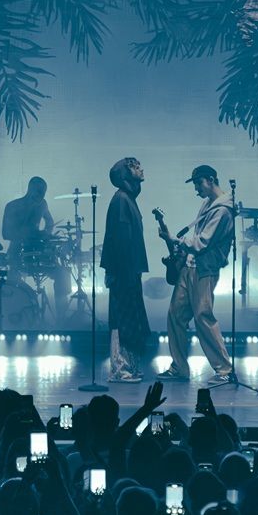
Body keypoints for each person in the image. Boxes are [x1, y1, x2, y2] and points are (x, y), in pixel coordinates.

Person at [156, 164, 233, 385]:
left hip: (204, 270)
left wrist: (174, 240)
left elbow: (201, 243)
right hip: (190, 267)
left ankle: (225, 370)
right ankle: (179, 367)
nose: (196, 189)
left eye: (199, 183)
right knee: (176, 315)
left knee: (203, 317)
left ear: (211, 179)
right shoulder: (208, 204)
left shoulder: (223, 210)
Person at [100, 158, 151, 383]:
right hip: (123, 270)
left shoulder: (127, 199)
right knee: (122, 319)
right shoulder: (122, 199)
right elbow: (120, 239)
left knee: (130, 318)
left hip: (129, 269)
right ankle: (120, 369)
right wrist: (120, 271)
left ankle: (129, 366)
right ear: (124, 173)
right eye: (134, 166)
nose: (140, 168)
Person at [1, 177, 70, 318]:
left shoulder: (42, 204)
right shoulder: (13, 206)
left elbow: (50, 222)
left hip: (40, 254)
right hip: (17, 254)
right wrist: (25, 235)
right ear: (30, 189)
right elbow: (5, 233)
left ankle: (62, 318)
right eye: (39, 192)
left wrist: (46, 234)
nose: (41, 195)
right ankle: (16, 316)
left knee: (62, 274)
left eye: (44, 192)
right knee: (13, 279)